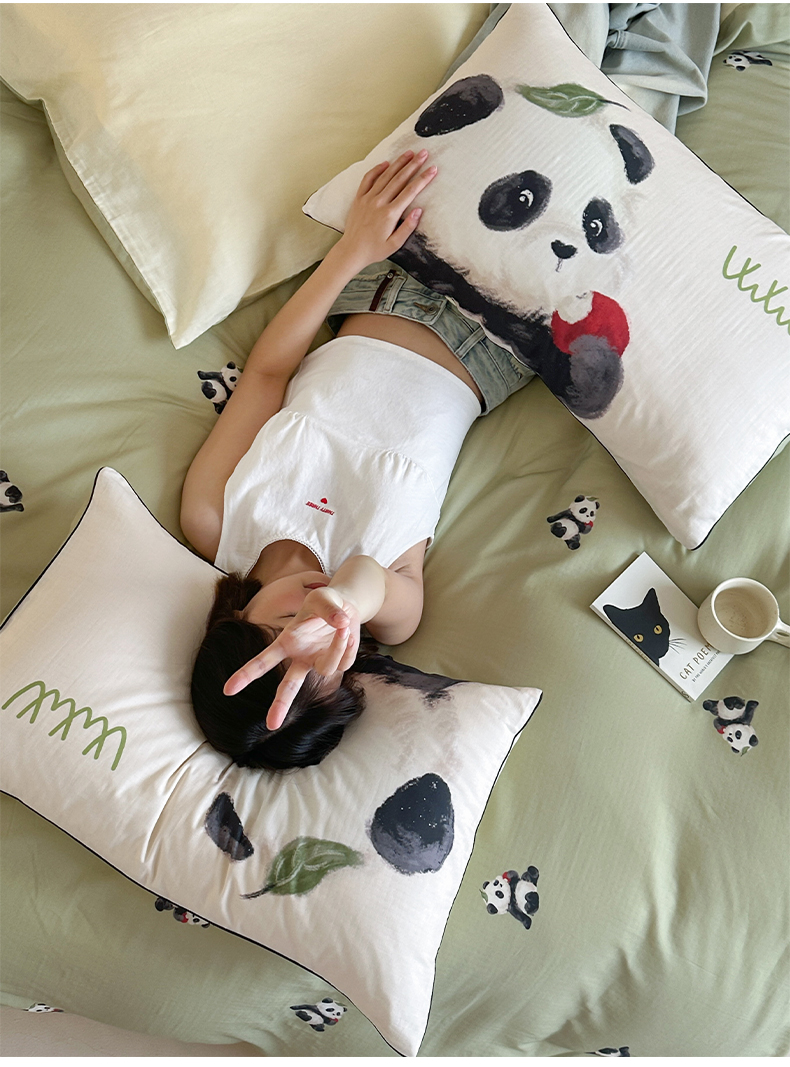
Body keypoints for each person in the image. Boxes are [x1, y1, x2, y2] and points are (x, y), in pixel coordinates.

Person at [181, 149, 533, 770]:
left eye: (282, 630)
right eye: (326, 653)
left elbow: (267, 374)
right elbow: (366, 577)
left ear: (233, 622)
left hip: (383, 282)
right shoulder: (392, 615)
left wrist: (352, 251)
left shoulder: (215, 518)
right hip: (501, 339)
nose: (311, 618)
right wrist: (347, 604)